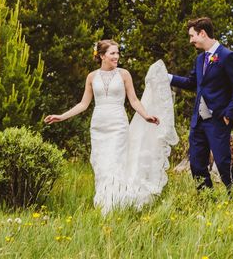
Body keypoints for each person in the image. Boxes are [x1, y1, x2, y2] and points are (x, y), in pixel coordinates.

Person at [44, 40, 178, 213]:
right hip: (98, 126)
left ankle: (115, 206)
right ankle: (104, 204)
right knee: (102, 165)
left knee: (115, 162)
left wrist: (146, 116)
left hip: (118, 125)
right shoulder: (91, 77)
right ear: (101, 56)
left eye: (117, 53)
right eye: (112, 53)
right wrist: (61, 116)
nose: (116, 56)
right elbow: (83, 104)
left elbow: (134, 100)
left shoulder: (124, 74)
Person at [168, 17, 233, 191]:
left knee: (223, 163)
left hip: (218, 120)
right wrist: (168, 78)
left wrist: (229, 113)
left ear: (202, 33)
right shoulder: (200, 59)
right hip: (198, 122)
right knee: (196, 164)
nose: (191, 41)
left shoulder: (227, 56)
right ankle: (206, 200)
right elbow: (192, 83)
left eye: (192, 36)